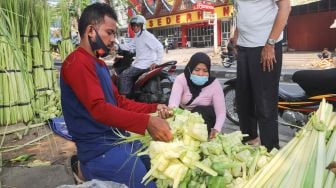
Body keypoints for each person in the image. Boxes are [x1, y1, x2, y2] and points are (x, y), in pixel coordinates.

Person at [60, 3, 173, 187]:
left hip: (116, 139)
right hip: (98, 150)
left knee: (156, 167)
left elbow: (118, 102)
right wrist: (146, 122)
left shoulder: (100, 65)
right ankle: (83, 168)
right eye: (110, 32)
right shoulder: (76, 63)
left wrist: (154, 108)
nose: (114, 39)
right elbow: (99, 109)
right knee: (147, 184)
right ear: (91, 31)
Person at [233, 0, 291, 151]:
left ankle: (270, 151)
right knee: (243, 101)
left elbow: (285, 8)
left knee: (265, 104)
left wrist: (270, 44)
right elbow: (241, 10)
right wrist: (236, 37)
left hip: (265, 46)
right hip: (244, 47)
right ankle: (250, 141)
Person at [168, 52, 226, 139]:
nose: (201, 74)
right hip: (183, 117)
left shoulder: (214, 84)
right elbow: (173, 105)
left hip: (204, 121)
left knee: (202, 110)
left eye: (205, 71)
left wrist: (216, 129)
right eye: (197, 70)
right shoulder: (181, 79)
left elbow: (221, 112)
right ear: (190, 68)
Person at [118, 15, 164, 97]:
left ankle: (124, 99)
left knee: (124, 75)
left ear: (142, 26)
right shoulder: (138, 36)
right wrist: (117, 46)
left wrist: (157, 62)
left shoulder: (146, 36)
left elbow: (159, 47)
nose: (135, 27)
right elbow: (130, 46)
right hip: (139, 63)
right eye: (133, 25)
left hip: (143, 65)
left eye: (137, 25)